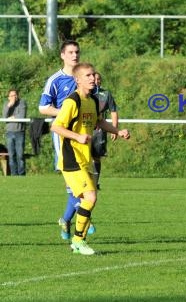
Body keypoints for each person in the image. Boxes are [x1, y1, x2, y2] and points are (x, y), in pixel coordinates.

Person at [51, 62, 130, 255]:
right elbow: (56, 126)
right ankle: (78, 240)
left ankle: (78, 239)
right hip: (71, 159)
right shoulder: (73, 101)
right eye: (88, 75)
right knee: (90, 197)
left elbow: (99, 121)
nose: (92, 78)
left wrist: (118, 131)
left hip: (84, 158)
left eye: (93, 75)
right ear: (78, 80)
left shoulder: (93, 101)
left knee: (88, 200)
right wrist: (77, 136)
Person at [38, 40, 92, 239]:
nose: (74, 55)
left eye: (77, 51)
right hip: (64, 136)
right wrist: (66, 112)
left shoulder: (84, 78)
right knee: (74, 183)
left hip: (84, 137)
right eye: (70, 52)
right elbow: (43, 108)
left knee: (86, 183)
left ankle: (68, 218)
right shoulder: (55, 80)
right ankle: (80, 219)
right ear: (62, 55)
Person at [91, 72, 119, 190]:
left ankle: (95, 183)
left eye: (99, 79)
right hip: (84, 129)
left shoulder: (106, 94)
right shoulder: (84, 94)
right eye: (94, 78)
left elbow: (113, 111)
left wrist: (114, 129)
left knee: (96, 157)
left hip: (99, 131)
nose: (96, 81)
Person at [2, 89, 27, 175]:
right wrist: (9, 106)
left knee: (20, 155)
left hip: (19, 132)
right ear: (8, 97)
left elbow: (22, 116)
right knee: (11, 155)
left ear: (18, 96)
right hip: (9, 133)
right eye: (12, 96)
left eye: (15, 95)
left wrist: (12, 117)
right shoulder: (6, 104)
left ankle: (21, 174)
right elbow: (4, 117)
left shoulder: (22, 103)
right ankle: (14, 175)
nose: (14, 97)